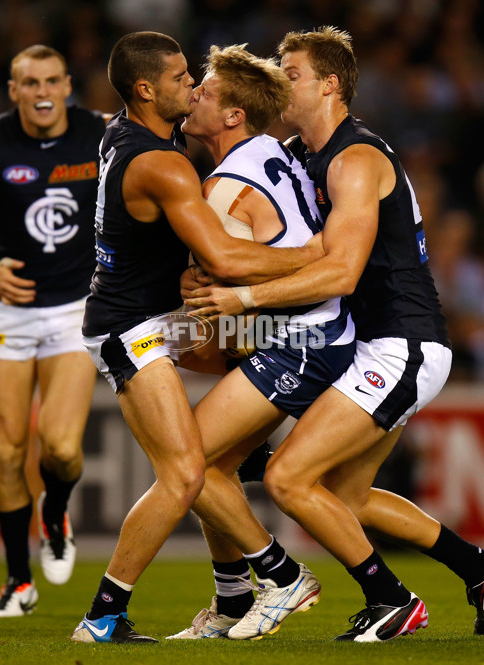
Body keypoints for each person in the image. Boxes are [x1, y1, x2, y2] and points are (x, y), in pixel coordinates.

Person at [185, 27, 484, 641]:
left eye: (292, 73)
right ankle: (480, 566)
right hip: (368, 341)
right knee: (344, 494)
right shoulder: (309, 156)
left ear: (330, 83)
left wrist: (244, 297)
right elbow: (301, 248)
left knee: (289, 477)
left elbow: (340, 269)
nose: (279, 82)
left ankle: (389, 599)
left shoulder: (356, 158)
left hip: (403, 344)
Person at [70, 32, 322, 645]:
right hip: (133, 328)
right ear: (146, 90)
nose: (194, 84)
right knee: (186, 471)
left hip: (151, 317)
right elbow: (222, 257)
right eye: (183, 77)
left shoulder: (122, 134)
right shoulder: (164, 163)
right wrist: (322, 258)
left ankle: (234, 593)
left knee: (206, 457)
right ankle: (279, 573)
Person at [156, 43, 357, 641]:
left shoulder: (223, 188)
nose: (194, 96)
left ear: (233, 115)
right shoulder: (271, 153)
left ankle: (282, 576)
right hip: (298, 328)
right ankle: (234, 601)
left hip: (300, 334)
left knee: (185, 461)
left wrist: (159, 333)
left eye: (207, 92)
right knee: (209, 468)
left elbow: (236, 280)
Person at [0, 45, 111, 617]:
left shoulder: (104, 134)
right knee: (9, 451)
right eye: (29, 82)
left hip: (73, 310)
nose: (41, 91)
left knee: (60, 448)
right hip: (4, 311)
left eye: (52, 80)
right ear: (13, 90)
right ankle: (18, 581)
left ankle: (55, 512)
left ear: (68, 86)